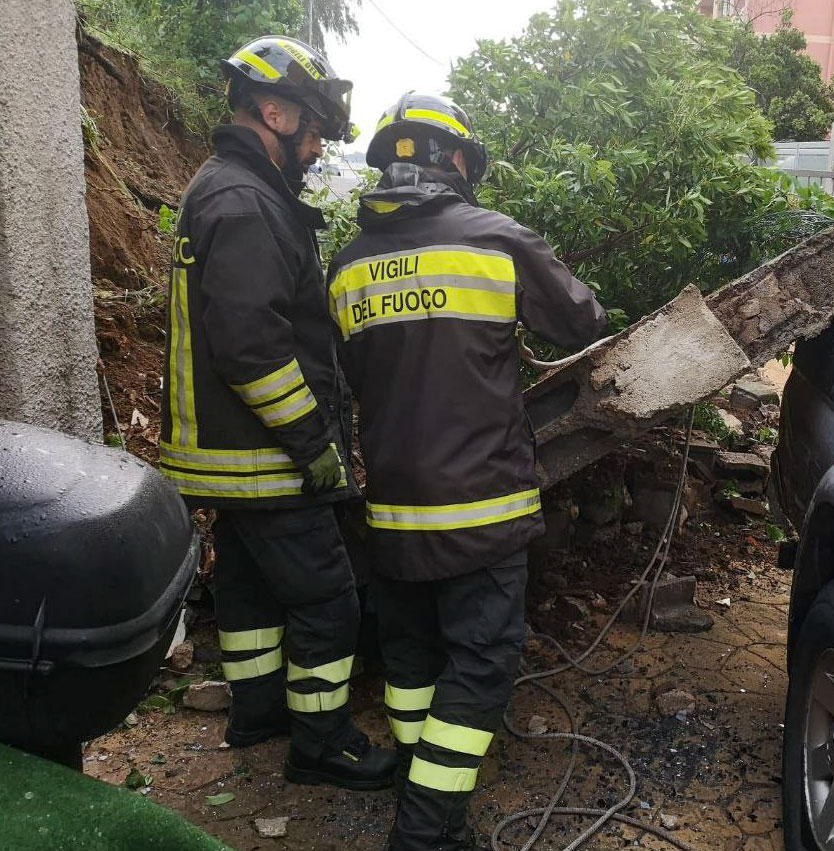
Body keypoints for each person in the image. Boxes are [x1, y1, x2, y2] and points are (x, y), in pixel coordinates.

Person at [327, 92, 607, 849]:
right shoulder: (494, 237)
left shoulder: (347, 265)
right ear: (456, 160)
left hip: (392, 510)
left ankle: (427, 787)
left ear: (388, 161)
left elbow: (347, 374)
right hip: (481, 508)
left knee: (414, 660)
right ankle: (424, 826)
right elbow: (583, 322)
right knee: (481, 665)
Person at [157, 36, 395, 790]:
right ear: (273, 110)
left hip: (231, 456)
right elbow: (253, 347)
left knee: (251, 593)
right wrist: (313, 442)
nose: (320, 146)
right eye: (316, 129)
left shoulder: (231, 187)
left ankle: (259, 711)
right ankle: (321, 743)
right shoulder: (245, 200)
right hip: (266, 455)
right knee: (328, 601)